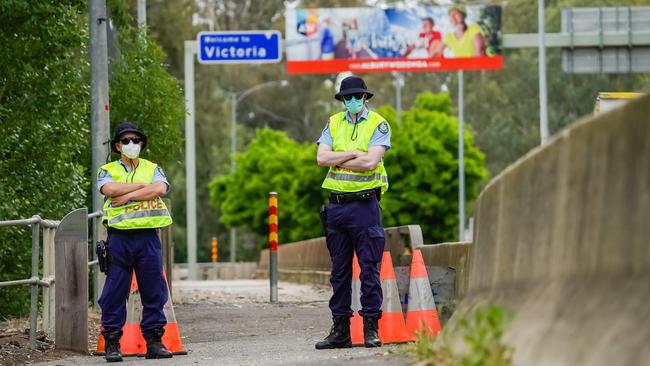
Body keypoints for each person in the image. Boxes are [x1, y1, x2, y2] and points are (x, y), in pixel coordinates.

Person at [315, 76, 391, 349]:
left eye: (357, 96)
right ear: (342, 100)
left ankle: (371, 328)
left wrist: (339, 157)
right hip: (336, 208)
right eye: (347, 97)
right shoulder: (333, 123)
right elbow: (321, 159)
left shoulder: (378, 124)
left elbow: (371, 162)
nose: (352, 101)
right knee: (339, 273)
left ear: (365, 97)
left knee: (369, 270)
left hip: (365, 207)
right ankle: (341, 331)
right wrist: (352, 154)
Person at [97, 122, 173, 362]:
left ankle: (154, 342)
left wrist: (128, 195)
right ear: (118, 145)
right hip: (119, 239)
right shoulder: (107, 169)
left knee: (154, 291)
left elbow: (159, 189)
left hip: (148, 238)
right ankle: (112, 343)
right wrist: (143, 186)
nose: (132, 145)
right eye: (126, 141)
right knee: (114, 292)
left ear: (142, 143)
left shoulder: (153, 168)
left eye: (136, 140)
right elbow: (109, 189)